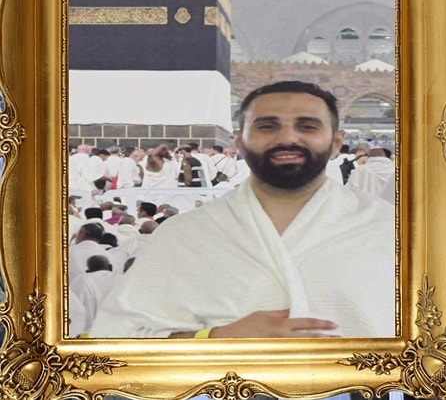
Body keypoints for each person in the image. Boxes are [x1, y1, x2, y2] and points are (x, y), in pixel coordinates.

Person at [90, 80, 395, 339]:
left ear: (336, 143)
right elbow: (117, 339)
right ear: (240, 140)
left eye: (307, 126)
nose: (288, 138)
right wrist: (216, 339)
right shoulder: (185, 234)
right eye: (267, 126)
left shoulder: (388, 229)